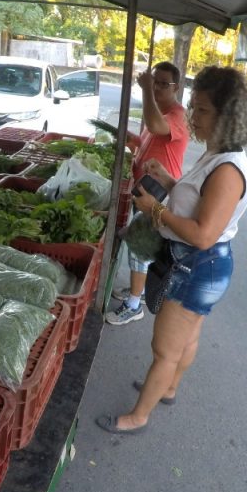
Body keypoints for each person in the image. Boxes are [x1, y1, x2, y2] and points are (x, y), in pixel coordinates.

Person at [95, 66, 247, 434]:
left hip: (198, 264)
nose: (192, 116)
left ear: (226, 117)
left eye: (201, 110)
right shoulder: (219, 156)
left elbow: (202, 233)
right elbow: (198, 203)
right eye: (194, 106)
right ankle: (168, 388)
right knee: (188, 335)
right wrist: (169, 181)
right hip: (203, 264)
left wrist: (153, 208)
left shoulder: (228, 170)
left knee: (164, 349)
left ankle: (138, 416)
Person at [106, 61, 189, 326]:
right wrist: (131, 139)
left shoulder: (176, 115)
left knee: (140, 247)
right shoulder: (161, 113)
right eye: (155, 82)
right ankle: (136, 291)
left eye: (163, 84)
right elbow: (147, 140)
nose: (157, 88)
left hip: (159, 192)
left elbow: (154, 126)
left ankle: (133, 305)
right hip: (145, 185)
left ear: (177, 87)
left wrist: (143, 89)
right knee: (138, 244)